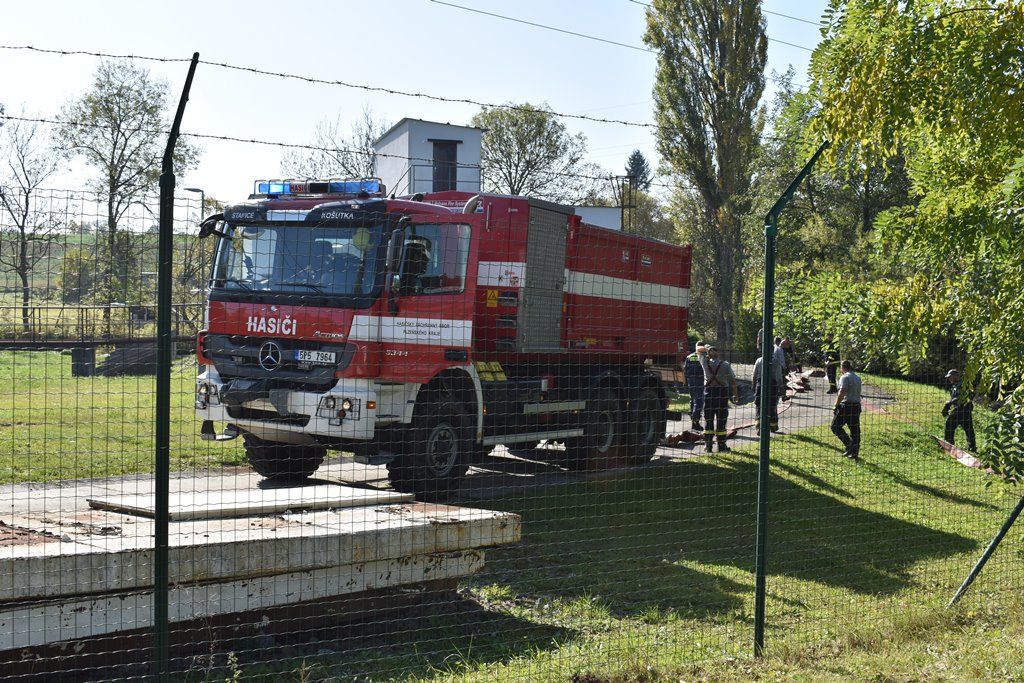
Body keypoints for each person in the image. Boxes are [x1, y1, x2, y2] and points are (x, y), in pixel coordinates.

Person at [697, 345, 739, 453]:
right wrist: (735, 395)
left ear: (709, 354)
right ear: (718, 354)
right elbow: (733, 381)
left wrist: (706, 349)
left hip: (709, 393)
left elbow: (697, 348)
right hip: (722, 394)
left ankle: (708, 445)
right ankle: (721, 445)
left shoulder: (705, 363)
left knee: (708, 419)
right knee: (721, 419)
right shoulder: (725, 365)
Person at [831, 360, 862, 459]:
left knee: (835, 427)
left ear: (842, 367)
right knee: (855, 430)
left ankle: (849, 445)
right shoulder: (857, 378)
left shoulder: (844, 377)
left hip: (846, 405)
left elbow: (842, 392)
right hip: (856, 406)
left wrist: (836, 405)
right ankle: (854, 452)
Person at [942, 369, 977, 452]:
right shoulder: (955, 386)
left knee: (950, 424)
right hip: (961, 409)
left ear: (956, 376)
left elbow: (962, 397)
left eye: (950, 377)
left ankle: (949, 444)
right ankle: (972, 447)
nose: (949, 379)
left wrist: (949, 403)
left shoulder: (963, 384)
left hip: (963, 409)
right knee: (968, 429)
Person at [682, 342, 706, 431]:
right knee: (699, 402)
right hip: (700, 381)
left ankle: (693, 421)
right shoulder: (704, 357)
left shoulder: (689, 357)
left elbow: (684, 370)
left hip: (690, 382)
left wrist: (685, 382)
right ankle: (695, 422)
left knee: (693, 401)